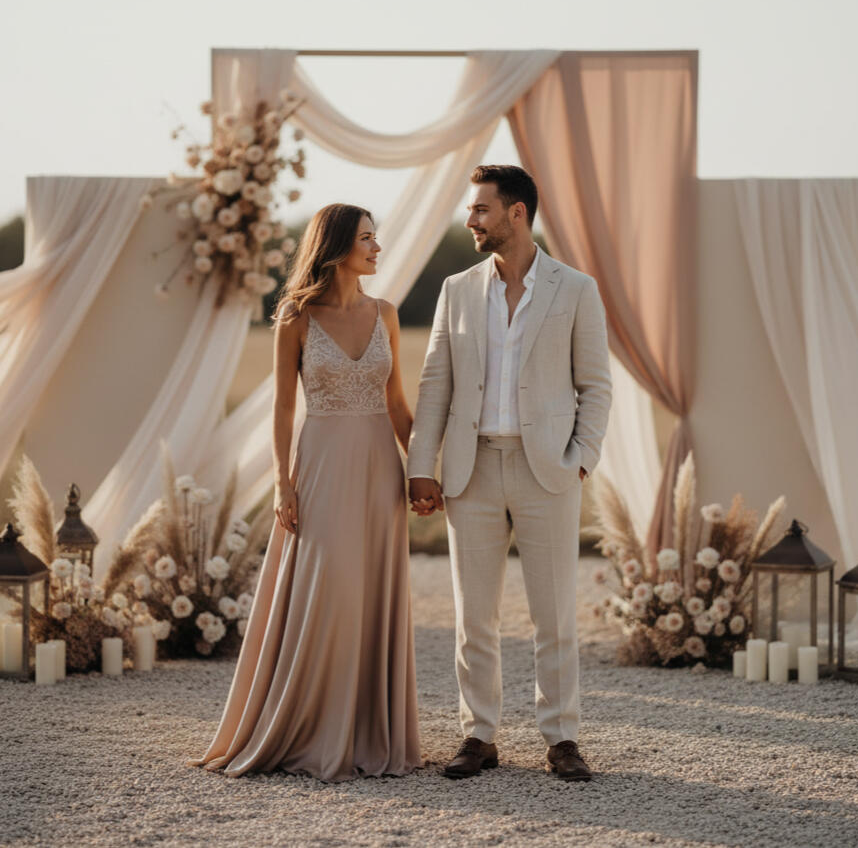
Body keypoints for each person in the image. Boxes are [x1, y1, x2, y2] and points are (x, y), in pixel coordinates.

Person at [187, 203, 422, 782]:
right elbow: (283, 409)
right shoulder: (296, 316)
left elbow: (395, 404)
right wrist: (282, 483)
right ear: (338, 245)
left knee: (370, 593)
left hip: (378, 469)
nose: (377, 248)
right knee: (330, 589)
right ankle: (312, 724)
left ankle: (368, 728)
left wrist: (424, 468)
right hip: (319, 466)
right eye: (368, 238)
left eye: (377, 238)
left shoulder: (386, 313)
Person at [407, 165, 611, 782]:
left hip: (547, 468)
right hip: (471, 470)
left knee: (554, 613)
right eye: (472, 211)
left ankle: (562, 738)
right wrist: (422, 466)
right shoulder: (456, 289)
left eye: (481, 210)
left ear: (516, 213)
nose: (471, 220)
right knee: (475, 615)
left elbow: (596, 385)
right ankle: (478, 736)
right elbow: (435, 383)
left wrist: (581, 458)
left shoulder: (576, 288)